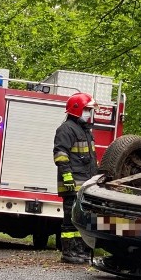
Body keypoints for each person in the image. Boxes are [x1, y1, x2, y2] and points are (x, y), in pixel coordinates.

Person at [53, 93, 98, 264]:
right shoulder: (66, 129)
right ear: (77, 109)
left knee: (83, 219)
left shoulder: (86, 131)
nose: (90, 113)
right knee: (70, 220)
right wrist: (67, 177)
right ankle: (70, 252)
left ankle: (81, 251)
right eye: (87, 109)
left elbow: (91, 160)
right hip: (72, 183)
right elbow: (60, 155)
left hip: (85, 184)